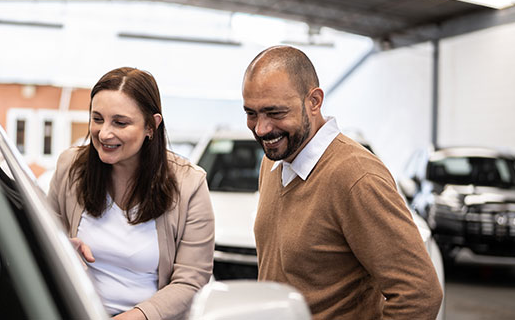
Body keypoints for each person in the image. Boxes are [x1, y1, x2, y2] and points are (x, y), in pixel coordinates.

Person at [243, 46, 443, 319]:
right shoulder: (272, 163)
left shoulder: (357, 177)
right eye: (251, 113)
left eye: (275, 113)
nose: (261, 129)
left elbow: (419, 293)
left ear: (314, 101)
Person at [47, 67, 214, 320]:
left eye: (120, 122)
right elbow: (39, 244)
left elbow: (191, 281)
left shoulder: (190, 183)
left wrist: (135, 317)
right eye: (97, 119)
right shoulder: (70, 168)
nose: (104, 133)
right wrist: (60, 248)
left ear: (151, 126)